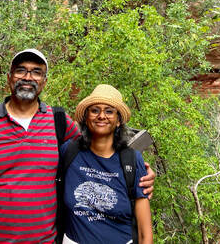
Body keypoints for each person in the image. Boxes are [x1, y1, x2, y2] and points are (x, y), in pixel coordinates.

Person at [0, 49, 155, 244]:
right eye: (21, 70)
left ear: (44, 81)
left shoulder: (59, 123)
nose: (27, 77)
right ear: (9, 77)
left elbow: (100, 144)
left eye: (36, 72)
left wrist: (139, 171)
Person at [58, 84, 153, 244]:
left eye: (109, 111)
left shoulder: (131, 160)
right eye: (95, 110)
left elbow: (145, 232)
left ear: (118, 121)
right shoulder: (69, 151)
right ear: (87, 117)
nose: (101, 116)